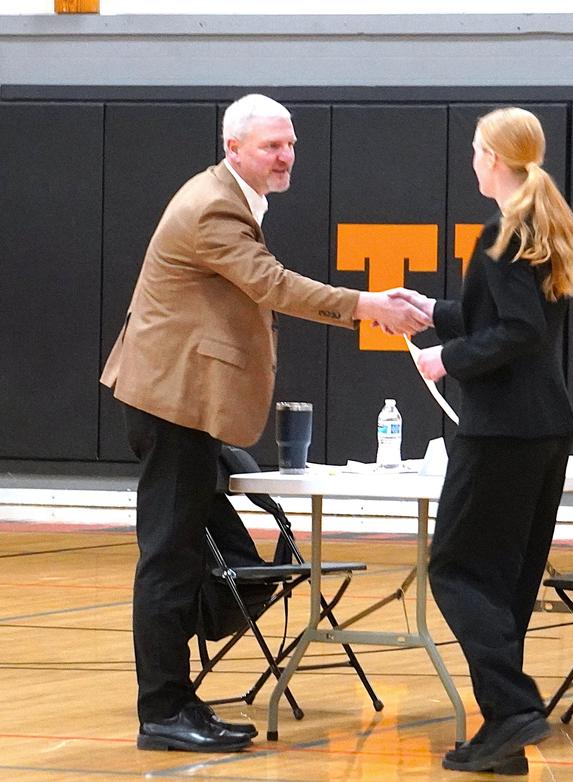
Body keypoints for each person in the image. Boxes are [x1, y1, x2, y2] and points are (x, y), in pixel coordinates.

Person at [100, 93, 430, 753]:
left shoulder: (232, 198)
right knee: (170, 558)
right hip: (172, 401)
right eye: (272, 146)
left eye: (291, 144)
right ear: (233, 148)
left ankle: (177, 699)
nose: (286, 157)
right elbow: (273, 285)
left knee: (207, 559)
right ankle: (163, 711)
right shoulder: (214, 206)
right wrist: (368, 305)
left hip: (183, 400)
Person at [394, 107, 573, 774]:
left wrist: (446, 359)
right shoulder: (538, 223)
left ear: (491, 157)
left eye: (475, 151)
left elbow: (519, 331)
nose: (473, 162)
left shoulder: (504, 229)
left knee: (455, 569)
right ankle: (502, 732)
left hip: (502, 430)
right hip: (544, 426)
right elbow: (505, 316)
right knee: (507, 580)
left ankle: (512, 707)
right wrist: (430, 312)